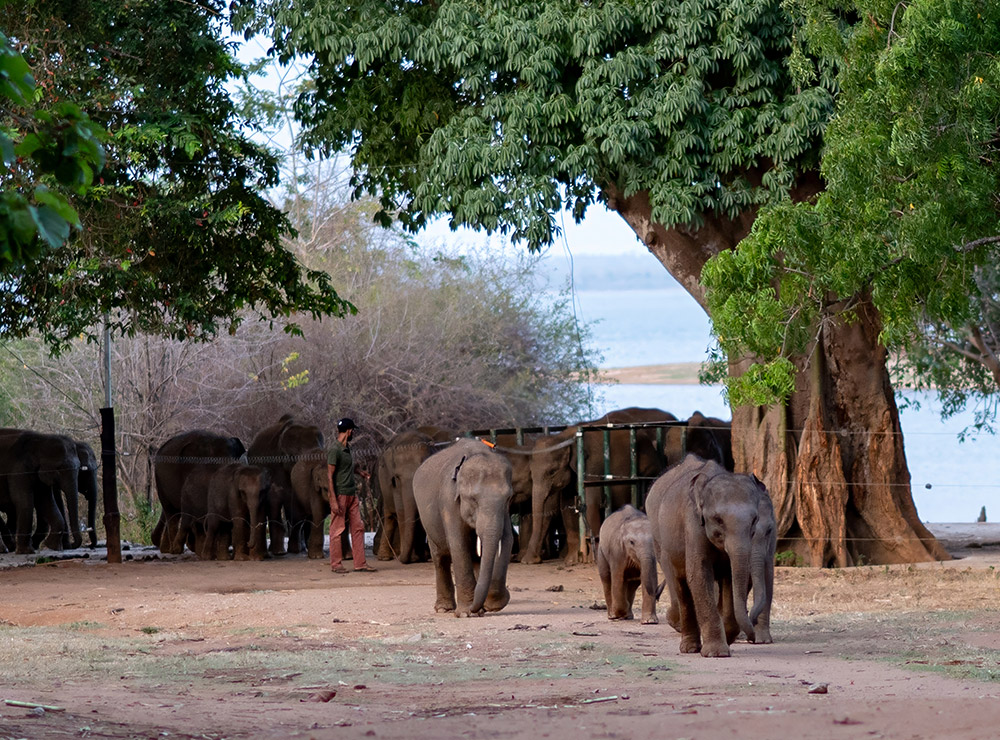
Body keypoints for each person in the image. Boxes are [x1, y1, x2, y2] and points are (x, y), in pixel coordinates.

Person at [327, 417, 376, 573]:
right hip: (340, 494)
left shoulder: (348, 448)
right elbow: (330, 476)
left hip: (351, 493)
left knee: (358, 527)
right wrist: (333, 500)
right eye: (353, 430)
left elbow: (347, 467)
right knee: (337, 529)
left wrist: (360, 472)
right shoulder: (335, 450)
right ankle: (336, 564)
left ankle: (360, 563)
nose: (353, 432)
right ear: (348, 431)